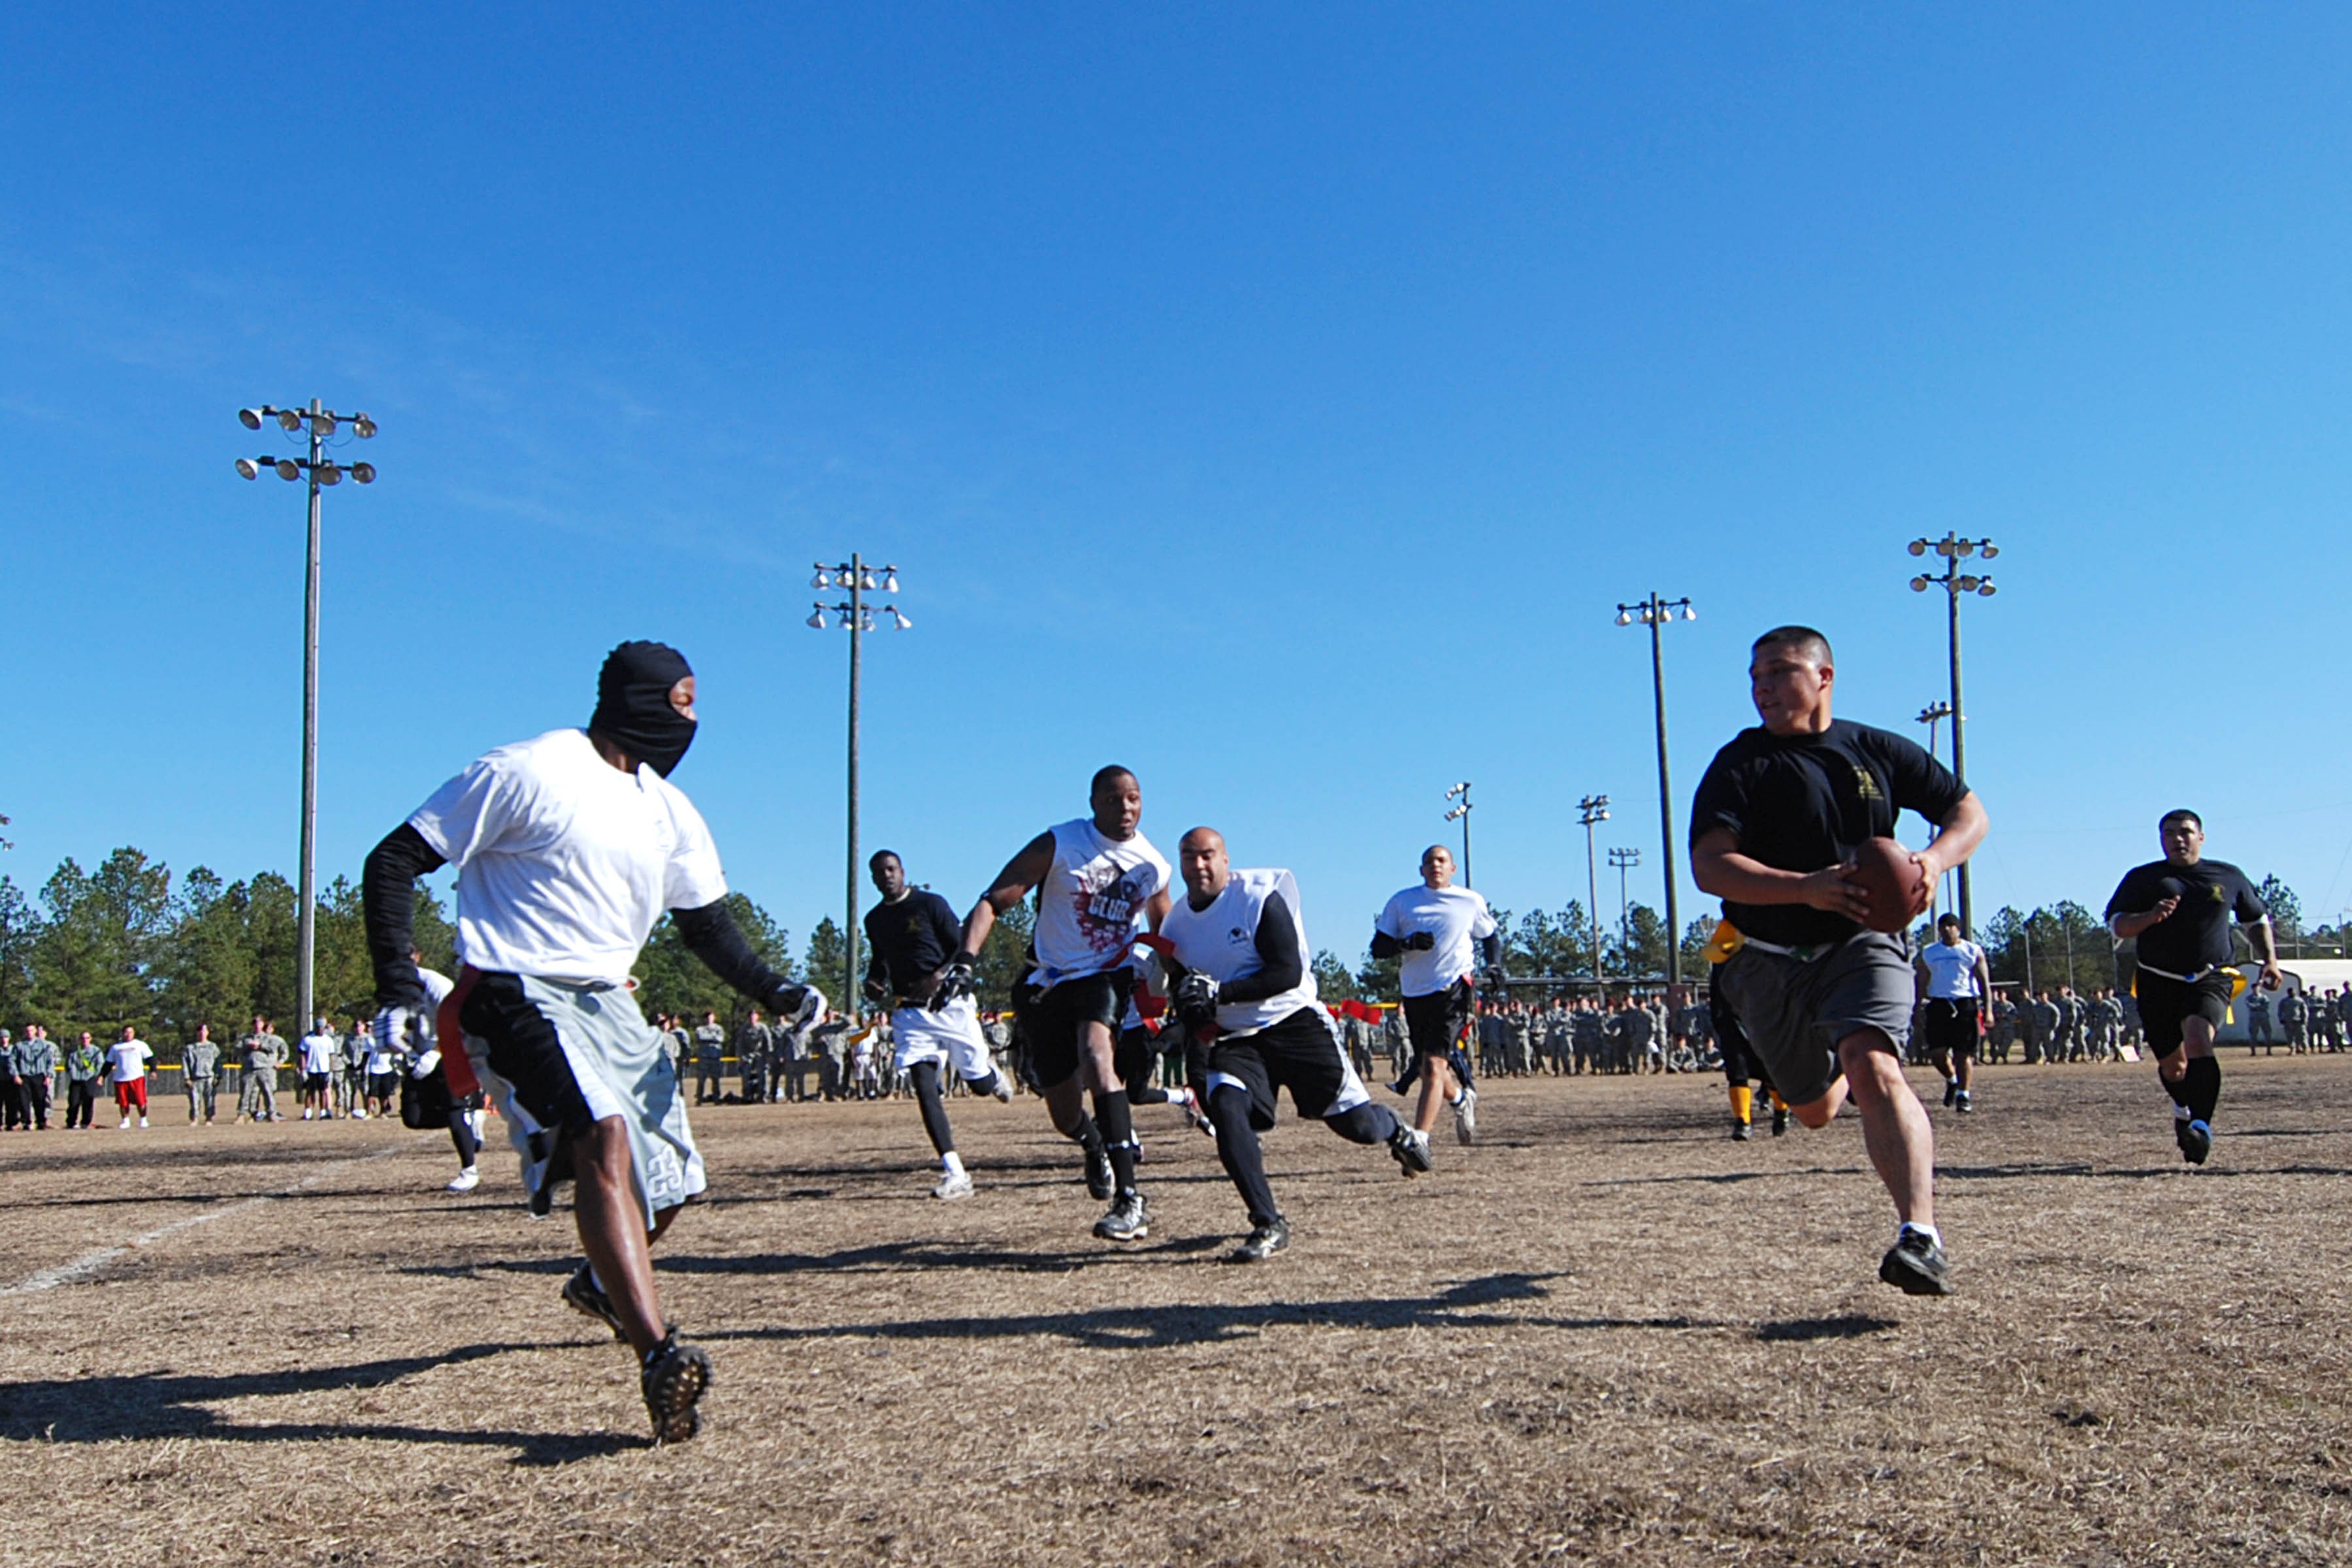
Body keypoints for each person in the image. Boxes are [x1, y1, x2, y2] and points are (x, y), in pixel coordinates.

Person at [361, 638, 823, 1443]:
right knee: (604, 1135)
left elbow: (708, 927)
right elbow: (394, 859)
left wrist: (776, 989)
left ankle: (601, 1284)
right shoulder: (530, 769)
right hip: (518, 989)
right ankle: (657, 1354)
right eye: (682, 702)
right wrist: (400, 990)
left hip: (613, 1002)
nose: (694, 721)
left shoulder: (668, 810)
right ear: (637, 698)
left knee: (675, 1186)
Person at [1690, 625, 1988, 1296]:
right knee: (1818, 1108)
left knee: (1874, 1063)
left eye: (1780, 671)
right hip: (1764, 955)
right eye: (1755, 675)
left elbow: (1969, 813)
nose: (1762, 686)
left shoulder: (1874, 748)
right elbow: (1709, 866)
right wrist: (1804, 887)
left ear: (1824, 676)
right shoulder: (1740, 763)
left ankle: (1921, 1236)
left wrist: (1932, 861)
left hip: (1863, 941)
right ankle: (1834, 1068)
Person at [1160, 828, 1426, 1260]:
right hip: (1238, 1036)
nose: (1200, 866)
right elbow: (1189, 992)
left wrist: (1219, 994)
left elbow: (1286, 972)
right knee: (1226, 1109)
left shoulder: (1260, 897)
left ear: (1227, 859)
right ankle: (1267, 1222)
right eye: (1190, 857)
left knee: (1357, 1128)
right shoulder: (1176, 925)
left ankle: (1395, 1128)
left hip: (1294, 1022)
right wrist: (1182, 1018)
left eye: (1209, 855)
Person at [941, 765, 1172, 1242]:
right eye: (1113, 800)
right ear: (1093, 804)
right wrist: (965, 961)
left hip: (1105, 976)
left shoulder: (1154, 865)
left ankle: (1130, 1198)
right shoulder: (1061, 843)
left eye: (1133, 798)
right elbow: (992, 901)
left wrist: (1189, 981)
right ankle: (1093, 1144)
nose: (1125, 808)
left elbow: (1170, 933)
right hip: (1046, 983)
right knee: (1064, 1114)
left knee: (1097, 1056)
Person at [2103, 809, 2280, 1166]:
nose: (2177, 839)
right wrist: (2150, 917)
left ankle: (2201, 1126)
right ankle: (2184, 1110)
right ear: (2161, 840)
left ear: (2201, 837)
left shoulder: (2227, 876)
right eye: (2169, 833)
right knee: (2174, 1068)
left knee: (2199, 1038)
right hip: (2157, 979)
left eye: (2185, 832)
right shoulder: (2143, 879)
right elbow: (2117, 925)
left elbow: (2255, 919)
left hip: (2211, 976)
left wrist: (2270, 961)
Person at [860, 851, 1015, 1200]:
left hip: (950, 1007)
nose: (886, 876)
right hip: (910, 1015)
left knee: (977, 1085)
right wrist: (874, 981)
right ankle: (955, 1172)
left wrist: (938, 975)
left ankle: (989, 1076)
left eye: (891, 869)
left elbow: (962, 947)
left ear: (902, 871)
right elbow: (878, 961)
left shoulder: (930, 904)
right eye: (879, 872)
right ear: (872, 879)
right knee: (925, 1087)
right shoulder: (875, 920)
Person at [1371, 844, 1500, 1164]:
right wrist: (1406, 943)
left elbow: (1490, 935)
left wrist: (1495, 966)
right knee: (1433, 1065)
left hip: (1454, 989)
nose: (1436, 866)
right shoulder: (1402, 902)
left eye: (1442, 861)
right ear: (1421, 870)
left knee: (1432, 1066)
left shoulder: (1469, 901)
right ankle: (1460, 1100)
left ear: (1453, 868)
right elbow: (1378, 948)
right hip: (1415, 993)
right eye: (1429, 861)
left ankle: (1419, 1140)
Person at [1915, 913, 1992, 1114]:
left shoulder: (1972, 951)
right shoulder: (1930, 952)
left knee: (1963, 1054)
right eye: (1943, 926)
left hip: (1965, 1003)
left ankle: (1963, 1096)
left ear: (1958, 929)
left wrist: (1989, 1010)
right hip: (1939, 1003)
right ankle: (1952, 1080)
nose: (1947, 930)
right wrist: (1916, 1008)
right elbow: (1921, 981)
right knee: (1937, 1053)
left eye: (1951, 926)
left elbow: (1985, 983)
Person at [237, 1016, 287, 1121]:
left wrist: (260, 1046)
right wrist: (247, 1046)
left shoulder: (269, 1038)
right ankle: (242, 1115)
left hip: (264, 1068)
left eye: (259, 1023)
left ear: (262, 1024)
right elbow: (237, 1050)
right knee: (246, 1092)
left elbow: (272, 1049)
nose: (257, 1025)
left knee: (268, 1092)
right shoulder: (246, 1038)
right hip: (249, 1068)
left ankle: (272, 1113)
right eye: (255, 1023)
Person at [107, 1026, 155, 1128]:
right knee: (123, 1102)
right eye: (126, 1032)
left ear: (134, 1033)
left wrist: (153, 1070)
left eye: (131, 1032)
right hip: (120, 1079)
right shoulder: (116, 1048)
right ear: (122, 1033)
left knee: (140, 1100)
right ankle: (125, 1121)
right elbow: (108, 1063)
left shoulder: (140, 1045)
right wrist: (102, 1076)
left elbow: (150, 1058)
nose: (128, 1034)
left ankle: (143, 1119)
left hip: (136, 1077)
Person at [14, 1027, 57, 1130]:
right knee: (24, 1101)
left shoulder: (45, 1046)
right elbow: (13, 1061)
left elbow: (50, 1061)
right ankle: (26, 1122)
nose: (29, 1033)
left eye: (32, 1030)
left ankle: (41, 1122)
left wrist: (49, 1075)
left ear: (35, 1032)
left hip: (39, 1075)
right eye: (27, 1031)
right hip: (24, 1076)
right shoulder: (19, 1046)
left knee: (40, 1100)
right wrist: (15, 1075)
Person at [297, 1019, 337, 1120]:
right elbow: (302, 1055)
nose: (320, 1029)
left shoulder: (328, 1040)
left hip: (323, 1069)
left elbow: (331, 1057)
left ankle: (323, 1112)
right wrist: (303, 1069)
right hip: (311, 1069)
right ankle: (308, 1112)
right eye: (318, 1027)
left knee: (323, 1091)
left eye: (322, 1027)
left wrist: (331, 1071)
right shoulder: (308, 1039)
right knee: (310, 1091)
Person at [183, 1024, 223, 1124]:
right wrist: (187, 1077)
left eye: (204, 1031)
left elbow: (218, 1063)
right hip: (195, 1078)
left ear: (208, 1032)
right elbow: (185, 1063)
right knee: (194, 1100)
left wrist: (218, 1076)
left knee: (210, 1099)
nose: (202, 1033)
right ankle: (195, 1118)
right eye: (200, 1031)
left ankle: (209, 1118)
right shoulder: (190, 1048)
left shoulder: (213, 1047)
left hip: (209, 1077)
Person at [64, 1031, 104, 1129]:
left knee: (88, 1101)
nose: (85, 1040)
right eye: (83, 1038)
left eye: (87, 1038)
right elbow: (69, 1064)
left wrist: (96, 1076)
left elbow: (100, 1064)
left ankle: (86, 1122)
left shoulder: (96, 1051)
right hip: (76, 1079)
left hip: (89, 1079)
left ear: (91, 1039)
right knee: (73, 1102)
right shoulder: (74, 1051)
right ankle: (71, 1122)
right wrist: (73, 1074)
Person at [693, 1011, 727, 1105]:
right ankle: (699, 1099)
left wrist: (708, 1038)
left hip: (715, 1058)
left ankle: (717, 1098)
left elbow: (721, 1039)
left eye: (711, 1017)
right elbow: (700, 1037)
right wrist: (713, 1037)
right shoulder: (700, 1029)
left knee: (716, 1080)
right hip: (704, 1058)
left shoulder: (719, 1028)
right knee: (701, 1080)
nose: (709, 1019)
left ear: (714, 1018)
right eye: (707, 1017)